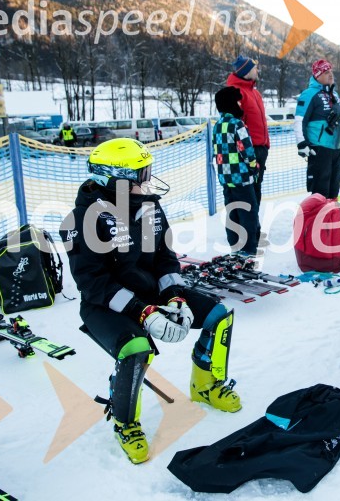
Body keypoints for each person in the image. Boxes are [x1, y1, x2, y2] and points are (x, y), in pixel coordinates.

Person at [59, 138, 241, 465]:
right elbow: (92, 283)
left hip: (151, 293)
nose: (147, 179)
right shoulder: (83, 219)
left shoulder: (149, 206)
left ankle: (206, 384)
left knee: (219, 313)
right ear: (116, 181)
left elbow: (166, 259)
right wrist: (141, 312)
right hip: (105, 304)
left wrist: (173, 296)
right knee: (135, 348)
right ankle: (126, 421)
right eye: (140, 174)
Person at [294, 59, 340, 199]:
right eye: (326, 72)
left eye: (331, 71)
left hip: (335, 149)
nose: (331, 75)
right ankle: (318, 219)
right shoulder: (309, 94)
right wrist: (302, 144)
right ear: (318, 75)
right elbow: (299, 121)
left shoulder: (334, 95)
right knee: (321, 191)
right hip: (319, 149)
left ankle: (331, 218)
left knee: (334, 190)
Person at [212, 86, 260, 257]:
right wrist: (254, 166)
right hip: (241, 177)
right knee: (248, 212)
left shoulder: (218, 125)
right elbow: (246, 149)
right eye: (238, 101)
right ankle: (248, 249)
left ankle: (235, 245)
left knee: (233, 211)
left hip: (226, 178)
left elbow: (216, 151)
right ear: (232, 103)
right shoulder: (237, 124)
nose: (241, 104)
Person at [227, 56, 270, 207]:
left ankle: (254, 229)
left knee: (256, 193)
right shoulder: (235, 93)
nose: (257, 70)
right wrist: (248, 151)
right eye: (254, 68)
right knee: (247, 195)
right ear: (246, 72)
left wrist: (265, 146)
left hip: (260, 150)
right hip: (246, 153)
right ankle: (247, 229)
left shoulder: (255, 93)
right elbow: (234, 127)